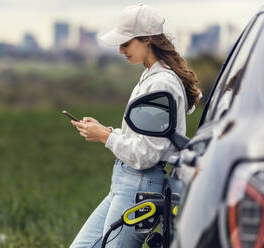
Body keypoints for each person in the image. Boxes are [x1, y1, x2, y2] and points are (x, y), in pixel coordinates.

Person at [70, 4, 201, 248]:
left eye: (126, 43)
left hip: (139, 183)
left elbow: (147, 154)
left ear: (148, 40)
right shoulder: (151, 76)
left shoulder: (161, 84)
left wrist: (105, 138)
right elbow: (142, 138)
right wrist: (108, 131)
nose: (121, 50)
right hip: (126, 182)